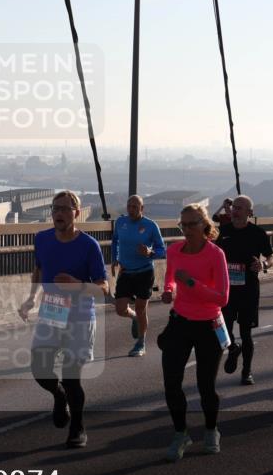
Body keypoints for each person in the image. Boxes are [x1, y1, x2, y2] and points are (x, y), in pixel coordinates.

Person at [19, 191, 109, 449]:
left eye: (64, 209)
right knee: (40, 368)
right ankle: (59, 396)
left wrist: (77, 285)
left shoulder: (89, 245)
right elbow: (39, 269)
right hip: (52, 311)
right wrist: (31, 298)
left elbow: (102, 287)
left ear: (76, 213)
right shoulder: (42, 238)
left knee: (72, 377)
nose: (58, 213)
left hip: (80, 315)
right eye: (55, 208)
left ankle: (77, 428)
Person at [157, 204, 230, 461]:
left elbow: (222, 297)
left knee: (205, 385)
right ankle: (181, 433)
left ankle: (211, 429)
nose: (186, 229)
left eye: (192, 224)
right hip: (179, 322)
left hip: (208, 324)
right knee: (171, 383)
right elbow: (171, 277)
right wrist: (169, 290)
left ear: (204, 225)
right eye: (183, 225)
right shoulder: (175, 249)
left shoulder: (215, 254)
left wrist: (191, 283)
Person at [215, 195, 273, 385]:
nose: (235, 211)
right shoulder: (222, 232)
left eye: (240, 208)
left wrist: (264, 265)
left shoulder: (257, 233)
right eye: (234, 207)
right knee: (225, 330)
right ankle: (233, 349)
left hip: (248, 289)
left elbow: (271, 257)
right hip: (227, 290)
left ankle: (246, 372)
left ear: (250, 212)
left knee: (246, 333)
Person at [111, 195, 166, 357]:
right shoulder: (121, 222)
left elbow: (162, 250)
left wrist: (150, 253)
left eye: (135, 207)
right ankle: (133, 317)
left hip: (144, 271)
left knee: (141, 309)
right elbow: (115, 241)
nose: (132, 209)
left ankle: (140, 343)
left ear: (142, 209)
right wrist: (115, 258)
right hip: (126, 271)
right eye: (129, 206)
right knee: (120, 309)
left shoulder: (150, 226)